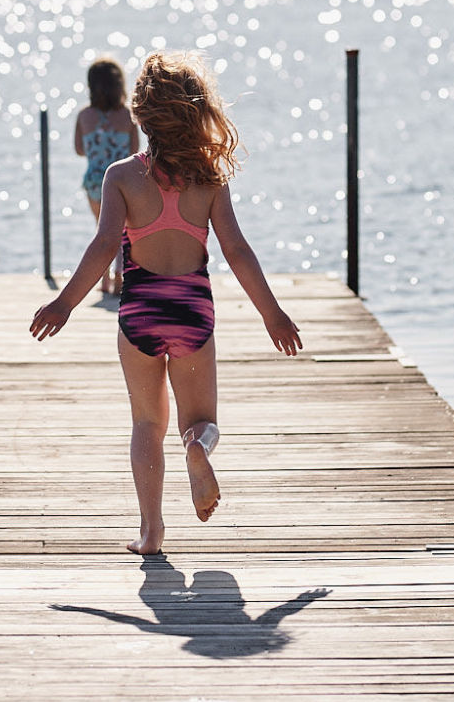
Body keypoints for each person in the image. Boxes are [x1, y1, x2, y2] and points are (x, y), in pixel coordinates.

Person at [31, 52, 302, 556]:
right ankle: (198, 449)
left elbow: (104, 245)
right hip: (192, 311)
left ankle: (152, 531)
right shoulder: (210, 180)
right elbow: (238, 252)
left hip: (139, 311)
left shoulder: (120, 176)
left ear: (141, 115)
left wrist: (65, 304)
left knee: (146, 425)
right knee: (199, 420)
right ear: (197, 114)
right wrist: (272, 313)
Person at [74, 57, 139, 294]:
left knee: (101, 229)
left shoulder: (84, 115)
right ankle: (119, 277)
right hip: (122, 181)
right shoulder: (128, 115)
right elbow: (134, 151)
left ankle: (103, 279)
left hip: (94, 181)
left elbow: (79, 149)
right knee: (122, 230)